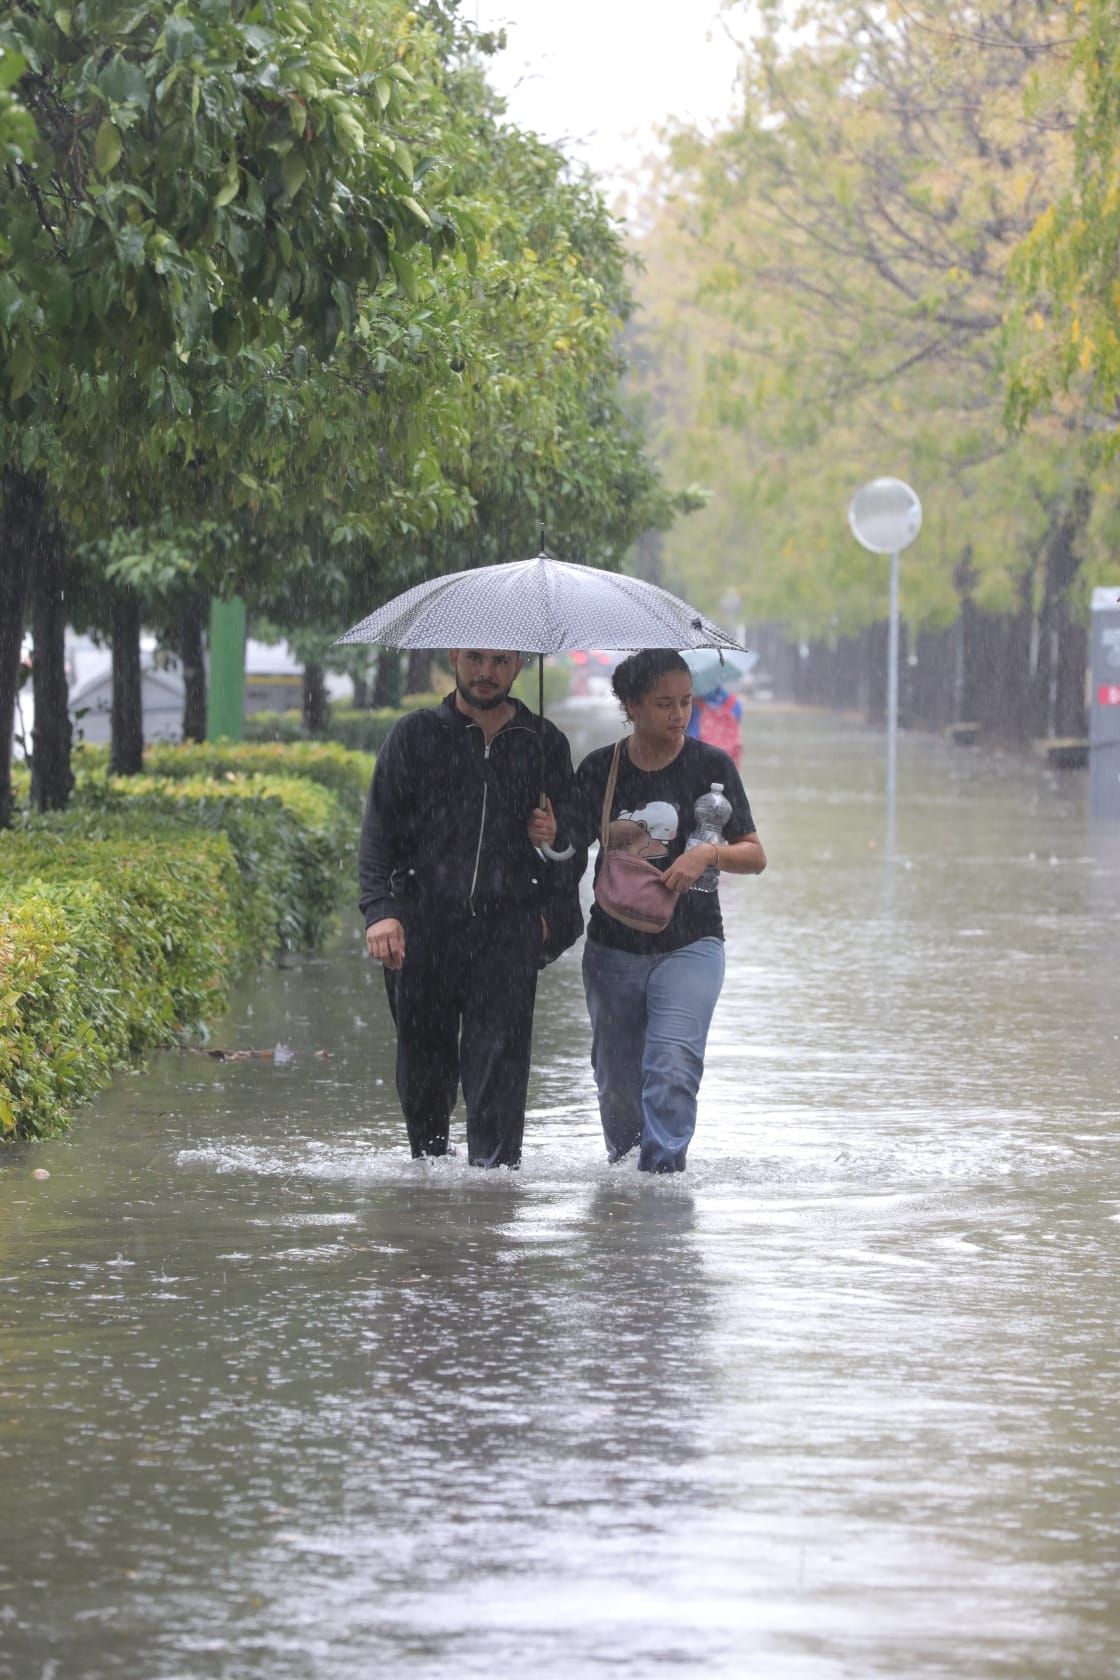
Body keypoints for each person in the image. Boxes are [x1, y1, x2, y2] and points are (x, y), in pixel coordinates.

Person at [359, 649, 584, 1169]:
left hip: (507, 934)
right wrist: (381, 912)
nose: (487, 672)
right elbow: (377, 837)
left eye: (501, 661)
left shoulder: (544, 743)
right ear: (455, 658)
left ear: (521, 665)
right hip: (422, 932)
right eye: (477, 659)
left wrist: (552, 904)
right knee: (424, 1077)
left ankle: (492, 1223)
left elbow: (574, 848)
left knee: (500, 1083)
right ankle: (429, 1210)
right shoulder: (414, 736)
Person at [561, 649, 766, 1173]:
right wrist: (548, 834)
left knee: (672, 1065)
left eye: (686, 703)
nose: (679, 716)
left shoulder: (711, 767)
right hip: (613, 948)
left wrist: (708, 854)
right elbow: (567, 850)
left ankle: (662, 1186)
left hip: (692, 943)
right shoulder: (600, 769)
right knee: (617, 1081)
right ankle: (626, 1188)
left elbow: (755, 855)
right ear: (630, 706)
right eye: (664, 704)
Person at [687, 683, 743, 764]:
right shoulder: (734, 703)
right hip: (729, 759)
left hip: (704, 759)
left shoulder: (696, 703)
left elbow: (692, 735)